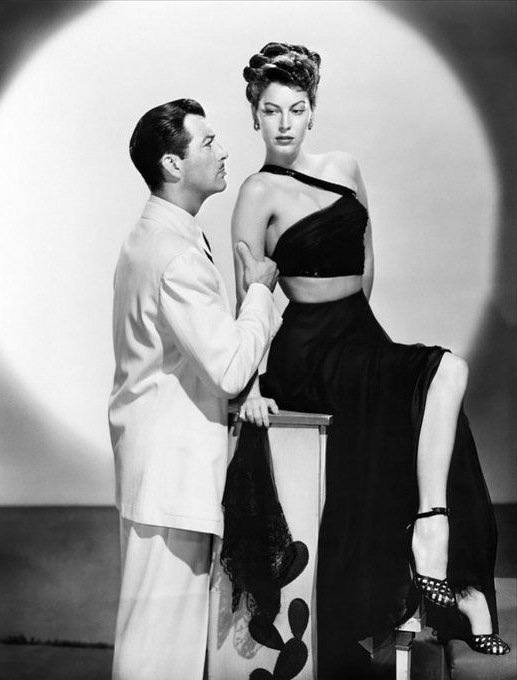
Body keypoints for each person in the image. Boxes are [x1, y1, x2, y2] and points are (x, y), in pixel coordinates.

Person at [223, 43, 510, 678]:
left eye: (297, 109)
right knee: (445, 371)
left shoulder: (345, 167)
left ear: (313, 110)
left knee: (438, 391)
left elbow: (367, 260)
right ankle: (437, 545)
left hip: (359, 334)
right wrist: (249, 384)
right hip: (306, 350)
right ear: (254, 114)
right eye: (271, 110)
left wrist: (366, 345)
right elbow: (248, 296)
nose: (284, 124)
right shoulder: (256, 192)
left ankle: (439, 548)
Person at [108, 98, 282, 680]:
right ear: (173, 164)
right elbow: (228, 369)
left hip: (158, 471)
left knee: (157, 641)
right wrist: (259, 293)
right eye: (208, 142)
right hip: (172, 473)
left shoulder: (152, 237)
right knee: (160, 649)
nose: (223, 150)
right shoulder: (176, 253)